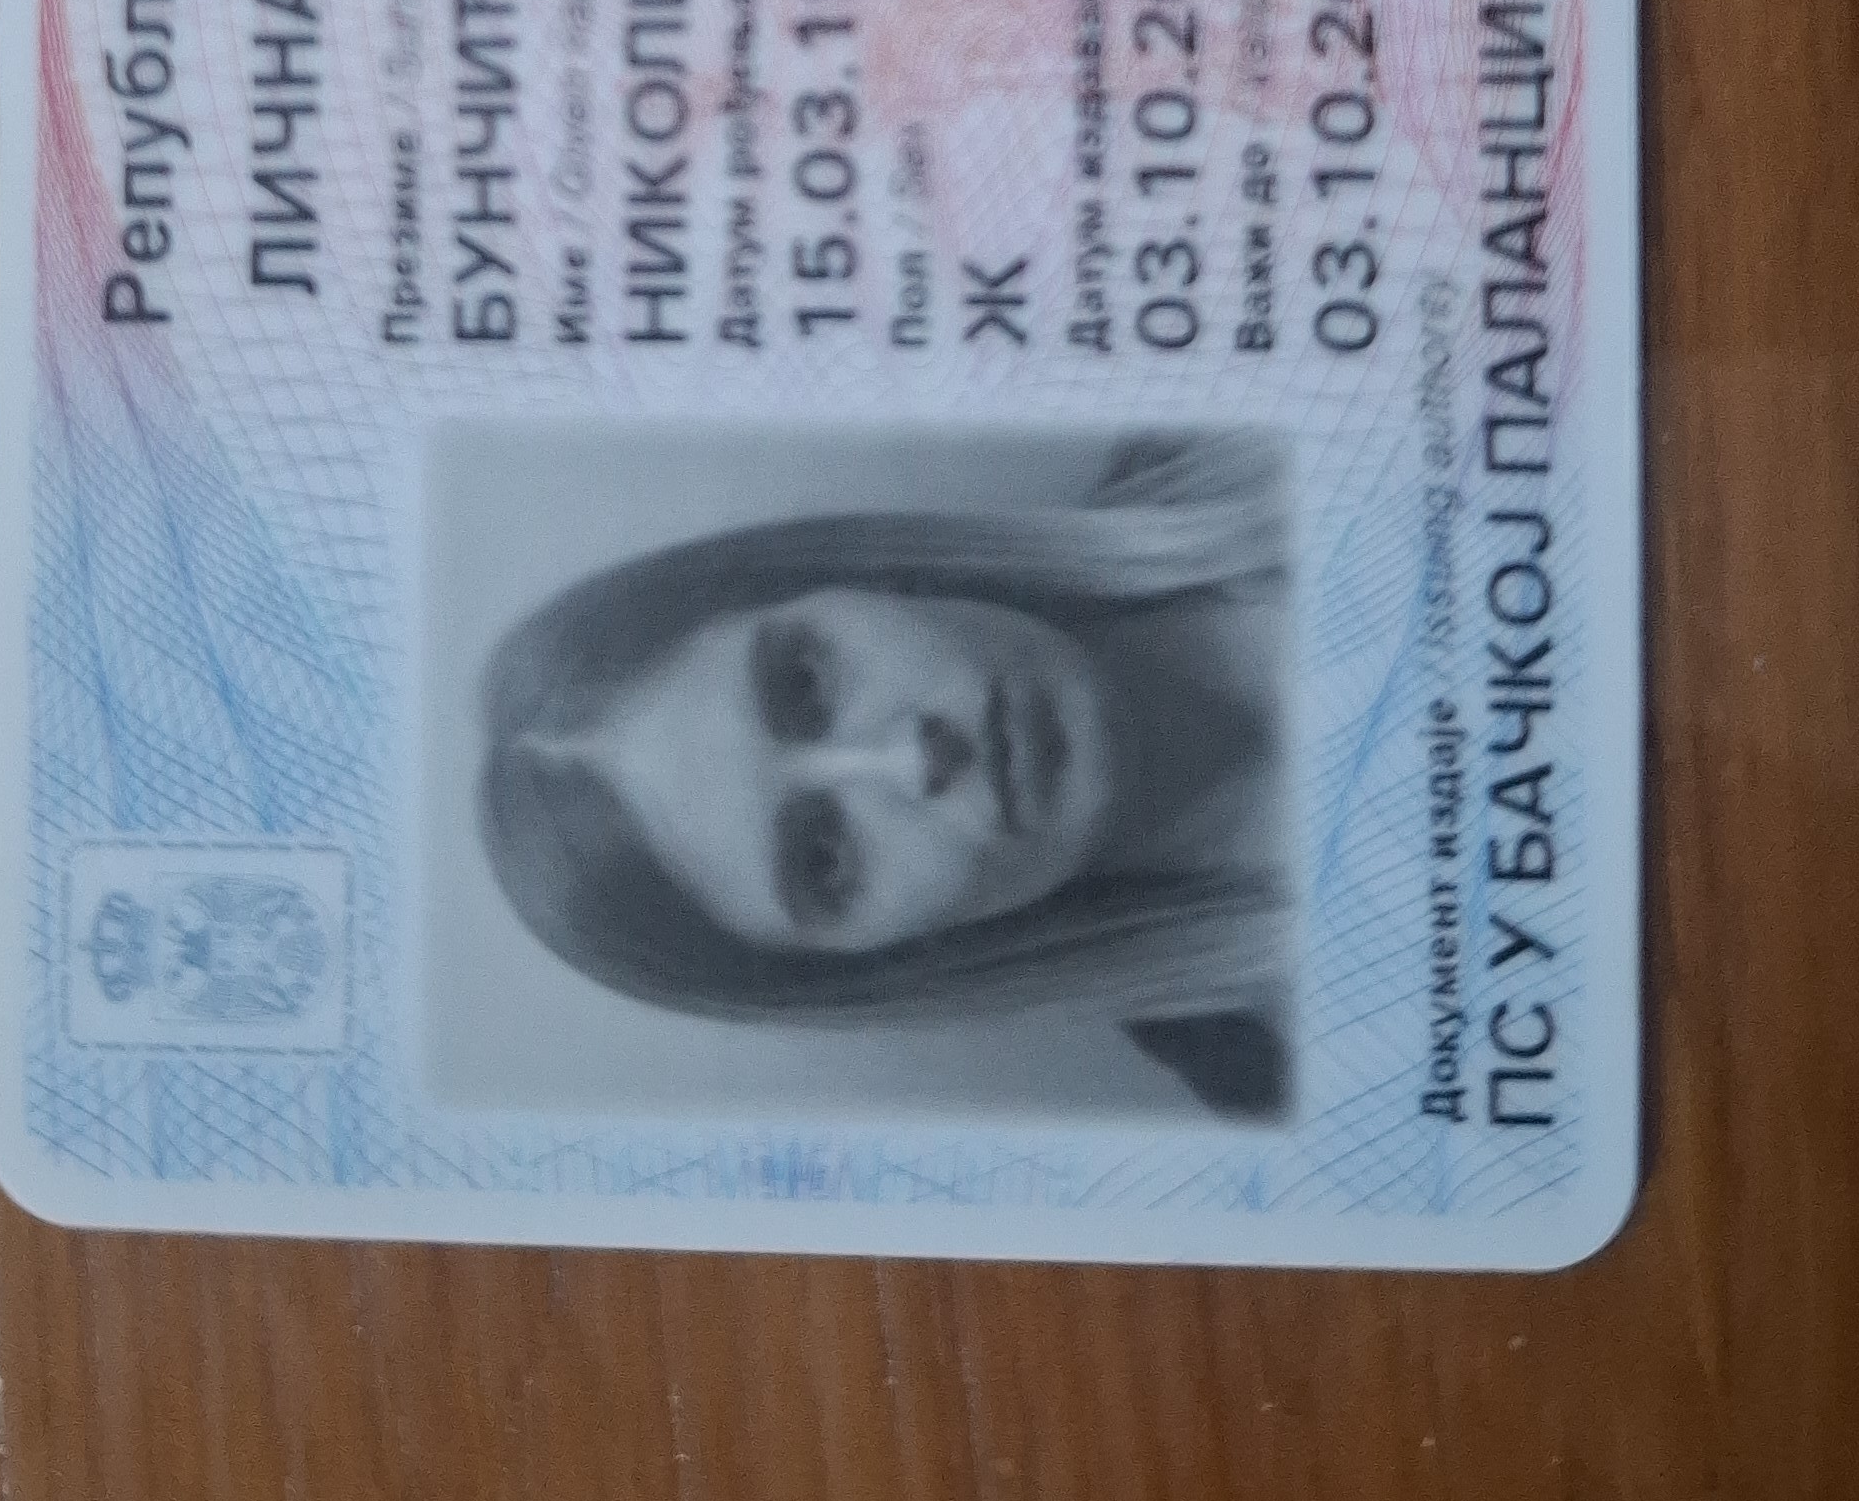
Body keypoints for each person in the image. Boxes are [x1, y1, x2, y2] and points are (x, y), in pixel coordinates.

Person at [474, 428, 1294, 1116]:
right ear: (884, 960)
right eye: (825, 860)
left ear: (860, 581)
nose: (915, 759)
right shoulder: (1273, 1073)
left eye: (806, 682)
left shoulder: (1227, 413)